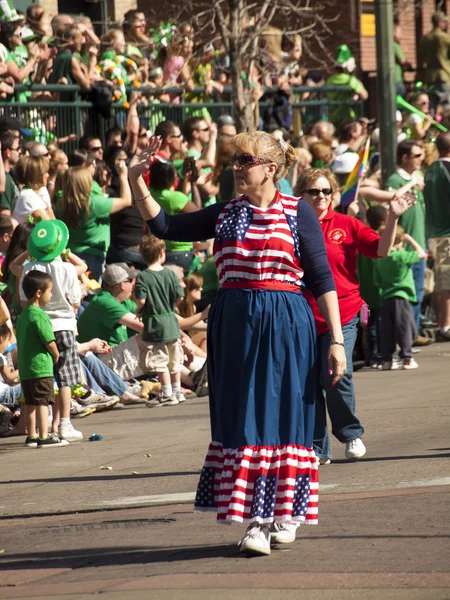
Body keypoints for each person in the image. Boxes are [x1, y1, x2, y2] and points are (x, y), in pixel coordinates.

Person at [128, 132, 346, 556]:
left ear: (272, 169)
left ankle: (285, 512)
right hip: (234, 324)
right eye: (234, 160)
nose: (236, 167)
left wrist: (336, 340)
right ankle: (255, 520)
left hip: (285, 322)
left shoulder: (297, 211)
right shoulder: (227, 213)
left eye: (245, 160)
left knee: (285, 412)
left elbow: (321, 278)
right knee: (245, 414)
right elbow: (167, 226)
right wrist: (138, 180)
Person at [295, 168, 416, 465]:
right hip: (303, 314)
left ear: (334, 194)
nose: (321, 197)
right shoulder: (290, 225)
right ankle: (316, 447)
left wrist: (393, 218)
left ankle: (350, 434)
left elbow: (381, 250)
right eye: (314, 191)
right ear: (301, 195)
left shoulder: (347, 225)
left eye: (326, 191)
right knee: (308, 382)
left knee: (336, 374)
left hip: (344, 311)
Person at [16, 220, 86, 442]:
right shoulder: (66, 268)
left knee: (42, 378)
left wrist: (29, 253)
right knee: (65, 378)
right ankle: (63, 424)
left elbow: (21, 298)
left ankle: (39, 430)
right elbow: (75, 301)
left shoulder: (28, 268)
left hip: (37, 325)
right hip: (63, 325)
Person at [16, 270, 68, 447]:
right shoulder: (39, 315)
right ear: (39, 293)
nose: (51, 294)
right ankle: (44, 436)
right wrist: (56, 354)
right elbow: (49, 340)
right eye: (50, 291)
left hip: (26, 368)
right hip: (40, 367)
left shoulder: (23, 315)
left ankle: (31, 435)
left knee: (30, 402)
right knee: (43, 402)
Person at [385, 140, 430, 344]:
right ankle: (406, 339)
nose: (422, 159)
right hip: (404, 249)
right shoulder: (396, 180)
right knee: (406, 296)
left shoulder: (416, 179)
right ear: (405, 158)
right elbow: (391, 204)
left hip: (418, 245)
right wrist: (411, 184)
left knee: (417, 293)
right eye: (417, 155)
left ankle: (412, 334)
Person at [54, 165, 132, 281]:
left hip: (68, 256)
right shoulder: (95, 204)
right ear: (85, 184)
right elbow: (126, 201)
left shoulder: (59, 202)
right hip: (92, 257)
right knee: (90, 294)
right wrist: (123, 176)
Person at [134, 235, 185, 406]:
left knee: (160, 360)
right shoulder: (170, 274)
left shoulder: (143, 276)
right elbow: (180, 296)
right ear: (162, 253)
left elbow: (141, 300)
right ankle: (178, 391)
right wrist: (171, 307)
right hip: (171, 321)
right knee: (174, 360)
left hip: (155, 324)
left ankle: (167, 391)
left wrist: (139, 310)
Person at [374, 225, 427, 371]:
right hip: (402, 296)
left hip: (385, 297)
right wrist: (411, 241)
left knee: (387, 330)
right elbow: (422, 254)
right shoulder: (402, 257)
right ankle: (407, 358)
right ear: (399, 241)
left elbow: (376, 281)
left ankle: (386, 359)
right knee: (404, 327)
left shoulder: (380, 259)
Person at [149, 160, 199, 271]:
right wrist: (193, 183)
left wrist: (182, 177)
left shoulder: (149, 193)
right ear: (172, 178)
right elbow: (199, 213)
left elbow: (176, 196)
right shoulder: (174, 198)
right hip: (180, 253)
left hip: (159, 253)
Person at [423, 131, 450, 340]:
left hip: (434, 232)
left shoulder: (430, 169)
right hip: (446, 233)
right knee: (445, 282)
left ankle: (444, 324)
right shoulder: (445, 169)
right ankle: (445, 326)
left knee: (443, 280)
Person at [418, 11, 450, 114]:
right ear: (440, 23)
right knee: (446, 106)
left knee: (431, 107)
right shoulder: (445, 38)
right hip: (444, 75)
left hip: (430, 77)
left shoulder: (426, 38)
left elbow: (421, 58)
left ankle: (433, 127)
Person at [326, 45, 368, 123]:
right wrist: (359, 84)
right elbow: (365, 95)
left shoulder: (329, 80)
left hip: (332, 119)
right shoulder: (350, 80)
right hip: (347, 119)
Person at [13, 156, 55, 223]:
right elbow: (50, 226)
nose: (48, 175)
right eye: (45, 172)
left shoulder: (33, 193)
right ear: (36, 175)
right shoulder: (27, 197)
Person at [0, 132, 21, 215]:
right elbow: (5, 215)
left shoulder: (10, 176)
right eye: (17, 148)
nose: (20, 151)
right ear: (8, 153)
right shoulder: (5, 180)